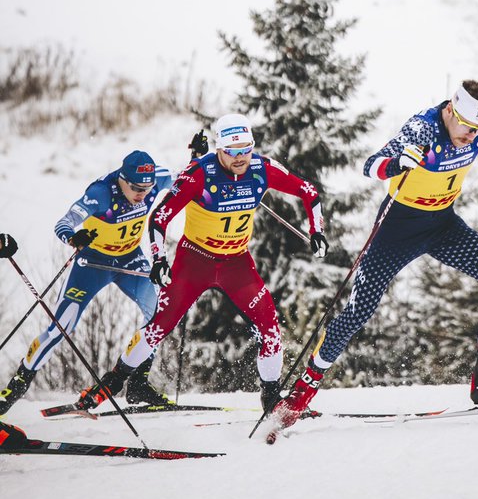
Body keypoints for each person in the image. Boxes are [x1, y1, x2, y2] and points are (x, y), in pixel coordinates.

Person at [271, 57, 478, 431]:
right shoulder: (422, 128)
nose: (473, 136)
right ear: (451, 111)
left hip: (442, 224)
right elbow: (371, 165)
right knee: (357, 313)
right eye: (468, 128)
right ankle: (301, 393)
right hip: (396, 229)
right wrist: (397, 163)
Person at [78, 113, 327, 415]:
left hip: (237, 263)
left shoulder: (262, 168)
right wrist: (159, 259)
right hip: (194, 262)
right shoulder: (199, 174)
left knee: (271, 331)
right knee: (158, 328)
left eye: (246, 149)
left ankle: (272, 398)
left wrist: (317, 231)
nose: (240, 158)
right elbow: (160, 217)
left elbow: (309, 192)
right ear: (219, 149)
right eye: (233, 151)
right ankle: (111, 384)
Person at [0, 153, 173, 415]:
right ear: (122, 179)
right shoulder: (101, 192)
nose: (142, 194)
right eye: (136, 188)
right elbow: (63, 223)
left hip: (130, 260)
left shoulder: (157, 179)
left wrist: (197, 156)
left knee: (160, 314)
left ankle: (137, 382)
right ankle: (15, 388)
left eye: (147, 189)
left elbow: (187, 179)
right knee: (61, 327)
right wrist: (73, 237)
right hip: (93, 264)